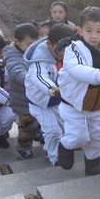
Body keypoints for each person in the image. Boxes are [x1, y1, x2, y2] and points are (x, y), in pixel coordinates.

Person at [57, 7, 100, 176]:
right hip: (74, 103)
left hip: (98, 103)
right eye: (89, 31)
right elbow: (75, 70)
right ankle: (65, 144)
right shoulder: (74, 48)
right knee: (79, 136)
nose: (94, 36)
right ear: (80, 30)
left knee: (98, 135)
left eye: (99, 31)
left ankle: (92, 164)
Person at [24, 24, 74, 166]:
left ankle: (52, 149)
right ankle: (55, 158)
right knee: (53, 130)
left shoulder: (68, 56)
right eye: (59, 48)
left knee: (66, 127)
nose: (63, 52)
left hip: (57, 102)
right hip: (41, 103)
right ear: (49, 44)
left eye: (66, 48)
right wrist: (53, 89)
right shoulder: (39, 61)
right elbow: (39, 78)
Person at [3, 23, 40, 159]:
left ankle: (38, 132)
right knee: (27, 126)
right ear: (17, 42)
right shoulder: (12, 56)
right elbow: (17, 72)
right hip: (22, 101)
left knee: (41, 120)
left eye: (35, 44)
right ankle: (23, 146)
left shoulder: (35, 52)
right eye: (29, 45)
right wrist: (34, 79)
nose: (32, 48)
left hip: (37, 98)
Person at [0, 32, 17, 152]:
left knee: (9, 117)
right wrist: (10, 100)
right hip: (3, 99)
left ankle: (1, 135)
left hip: (1, 104)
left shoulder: (2, 63)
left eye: (0, 53)